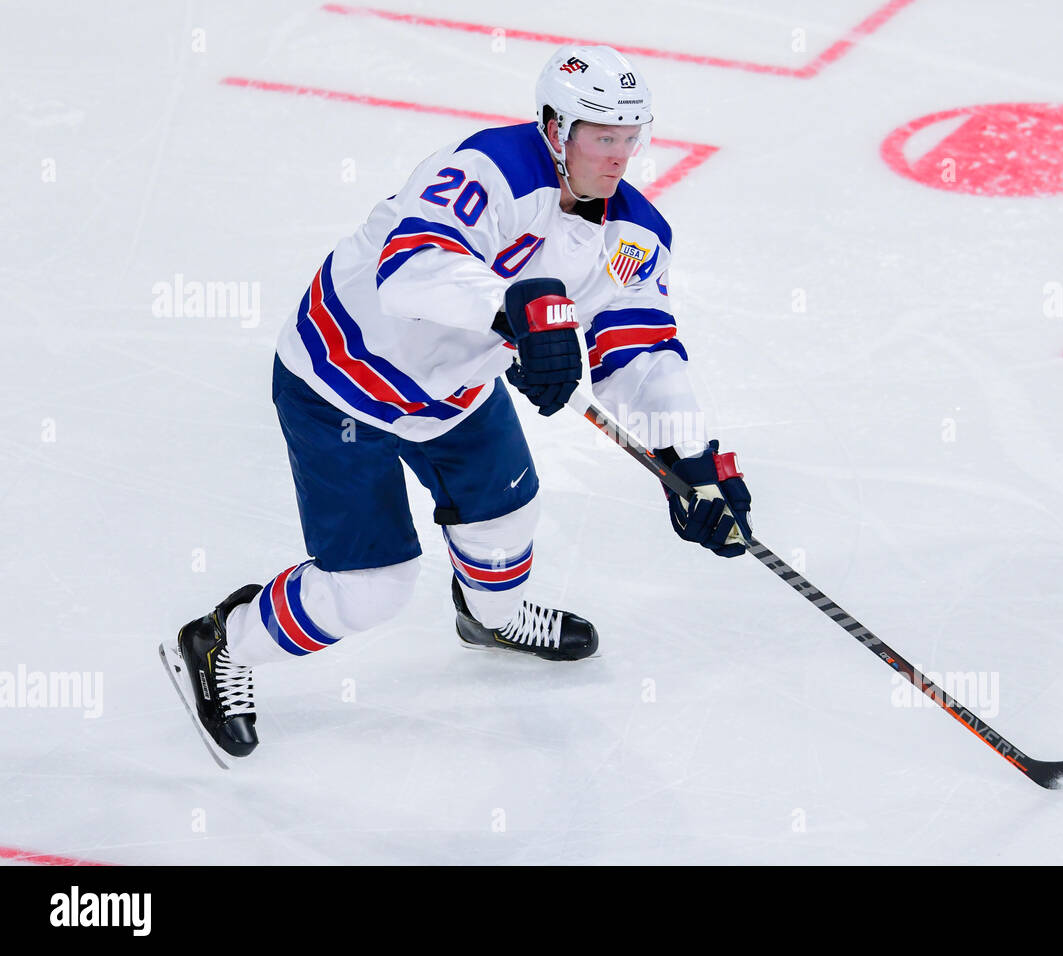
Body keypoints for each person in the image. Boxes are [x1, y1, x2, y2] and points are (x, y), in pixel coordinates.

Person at [160, 45, 754, 763]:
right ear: (554, 128)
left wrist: (689, 455)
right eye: (603, 136)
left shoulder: (635, 236)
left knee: (506, 526)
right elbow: (409, 271)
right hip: (342, 380)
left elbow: (641, 351)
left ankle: (490, 619)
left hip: (454, 395)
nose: (619, 156)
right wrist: (514, 313)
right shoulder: (488, 169)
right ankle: (224, 641)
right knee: (369, 592)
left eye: (632, 137)